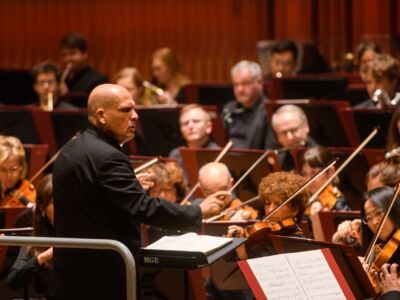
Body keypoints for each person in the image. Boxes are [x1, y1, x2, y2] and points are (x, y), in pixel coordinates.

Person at [52, 83, 229, 300]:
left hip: (70, 273)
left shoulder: (72, 148)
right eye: (126, 110)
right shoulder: (109, 156)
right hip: (102, 276)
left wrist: (129, 184)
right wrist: (198, 211)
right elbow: (144, 208)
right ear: (101, 115)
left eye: (134, 109)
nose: (135, 116)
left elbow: (89, 197)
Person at [227, 171, 308, 258]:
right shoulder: (261, 224)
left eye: (278, 204)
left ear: (295, 209)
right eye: (268, 203)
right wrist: (238, 244)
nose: (270, 209)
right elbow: (229, 258)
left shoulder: (297, 241)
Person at [6, 174, 54, 299]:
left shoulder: (81, 235)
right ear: (42, 208)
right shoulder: (34, 241)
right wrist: (42, 257)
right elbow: (13, 281)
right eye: (54, 202)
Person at [221, 60, 274, 150]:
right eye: (236, 84)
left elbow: (269, 151)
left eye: (245, 83)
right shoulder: (228, 109)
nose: (240, 89)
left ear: (260, 82)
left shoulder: (269, 111)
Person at [300, 146, 350, 215]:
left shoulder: (338, 204)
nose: (308, 179)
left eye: (314, 173)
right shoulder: (303, 203)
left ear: (330, 172)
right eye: (304, 174)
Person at [59, 32, 108, 97]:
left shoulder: (98, 79)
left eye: (72, 53)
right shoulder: (61, 78)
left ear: (84, 54)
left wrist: (68, 95)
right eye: (64, 55)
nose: (68, 59)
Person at [270, 104, 317, 171]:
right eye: (283, 133)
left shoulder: (323, 157)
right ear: (277, 136)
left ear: (306, 126)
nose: (290, 138)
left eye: (294, 130)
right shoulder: (277, 162)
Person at [0, 135, 36, 207]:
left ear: (21, 167)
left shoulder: (28, 191)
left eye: (14, 169)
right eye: (3, 170)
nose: (9, 175)